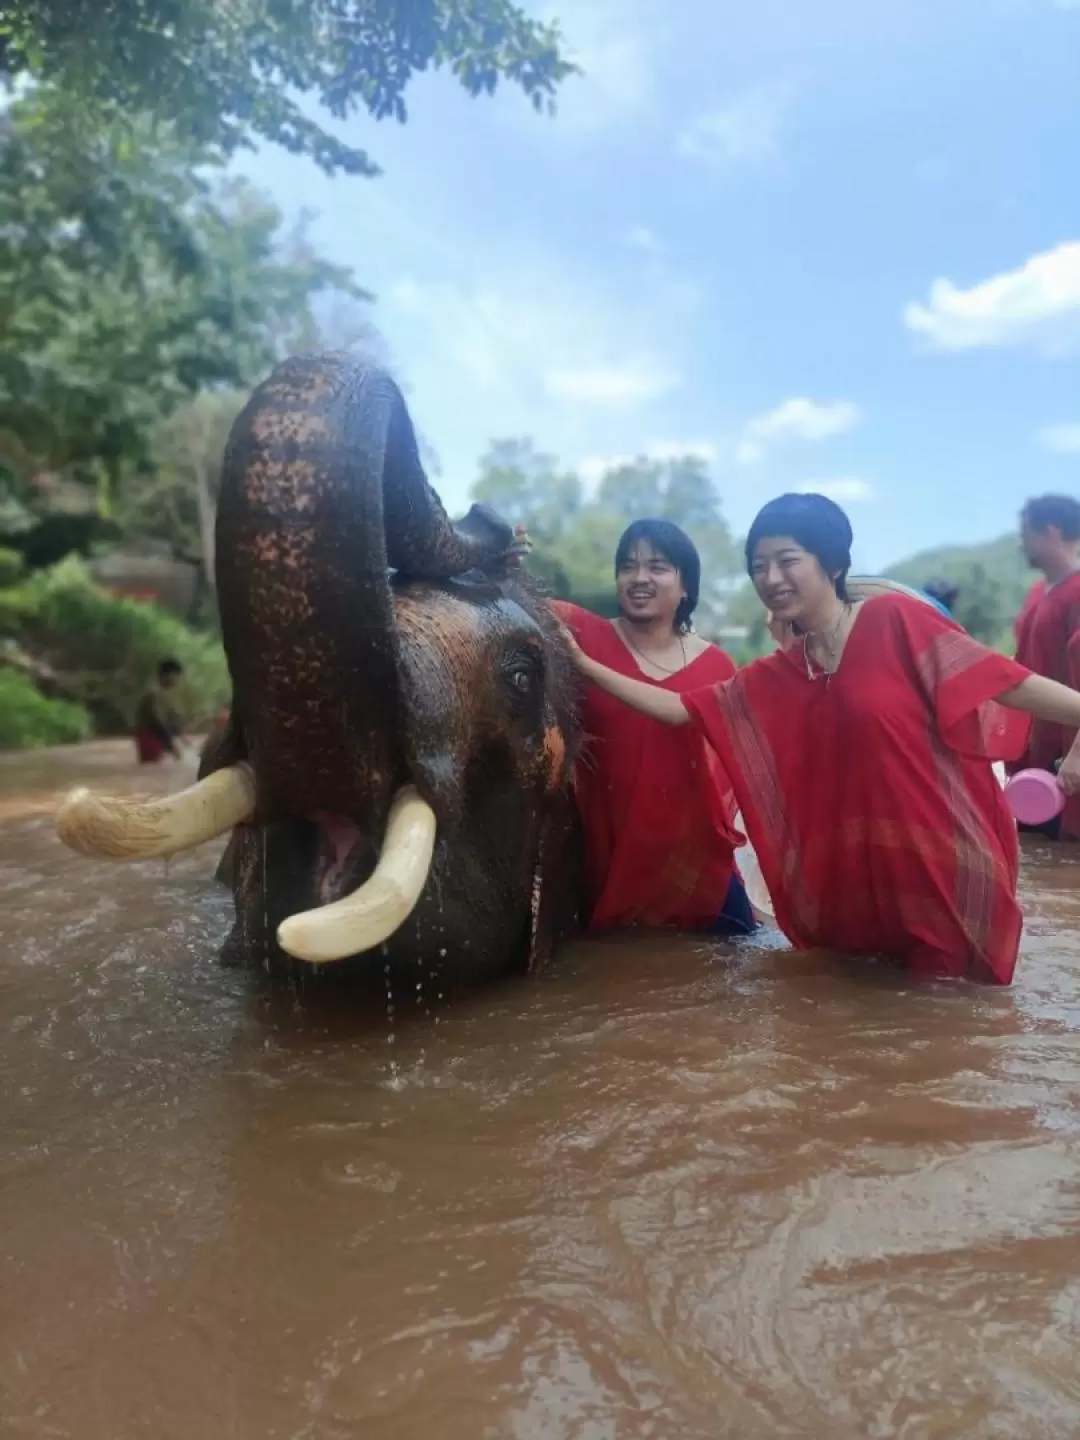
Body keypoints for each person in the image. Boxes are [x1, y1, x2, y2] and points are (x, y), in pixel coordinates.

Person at [558, 493, 1080, 986]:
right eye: (759, 566)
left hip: (938, 866)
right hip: (851, 885)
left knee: (952, 1015)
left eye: (787, 560)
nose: (772, 578)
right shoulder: (780, 672)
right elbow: (678, 710)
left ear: (830, 563)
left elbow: (1010, 684)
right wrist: (584, 665)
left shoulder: (896, 621)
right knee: (855, 1028)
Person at [546, 518, 757, 937]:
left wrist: (585, 668)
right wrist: (506, 557)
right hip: (604, 862)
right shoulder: (578, 632)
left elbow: (732, 767)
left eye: (657, 567)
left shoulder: (717, 667)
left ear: (686, 587)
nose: (639, 578)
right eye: (628, 566)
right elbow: (511, 606)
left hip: (693, 867)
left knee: (738, 982)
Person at [1010, 494, 1080, 840]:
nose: (1021, 544)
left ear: (1051, 531)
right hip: (1036, 761)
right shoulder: (1038, 593)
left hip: (1070, 764)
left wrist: (1078, 754)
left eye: (1026, 534)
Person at [134, 658, 185, 764]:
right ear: (168, 675)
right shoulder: (155, 693)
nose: (178, 680)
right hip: (149, 735)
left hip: (156, 735)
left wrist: (181, 737)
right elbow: (157, 721)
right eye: (177, 676)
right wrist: (171, 744)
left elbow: (170, 720)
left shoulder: (163, 693)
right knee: (154, 766)